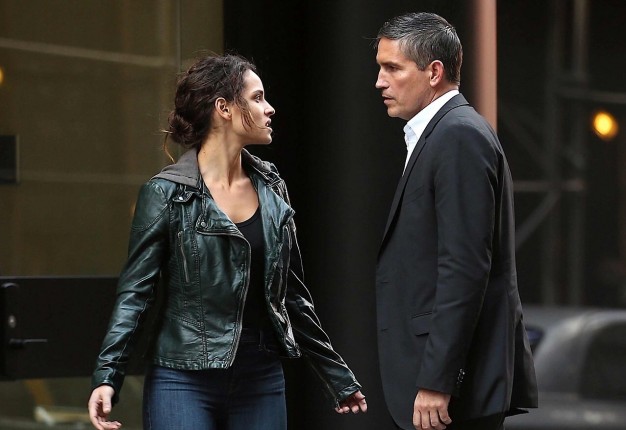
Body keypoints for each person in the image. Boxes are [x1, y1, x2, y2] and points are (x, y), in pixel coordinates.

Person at [87, 53, 366, 430]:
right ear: (224, 108)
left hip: (261, 376)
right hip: (182, 378)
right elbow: (135, 293)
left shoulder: (272, 188)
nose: (269, 108)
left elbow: (291, 295)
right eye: (257, 98)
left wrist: (337, 376)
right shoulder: (166, 193)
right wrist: (107, 376)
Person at [373, 12, 538, 430]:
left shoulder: (458, 135)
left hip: (451, 391)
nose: (379, 82)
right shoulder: (444, 133)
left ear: (434, 72)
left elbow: (464, 267)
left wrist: (438, 379)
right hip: (440, 382)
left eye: (392, 68)